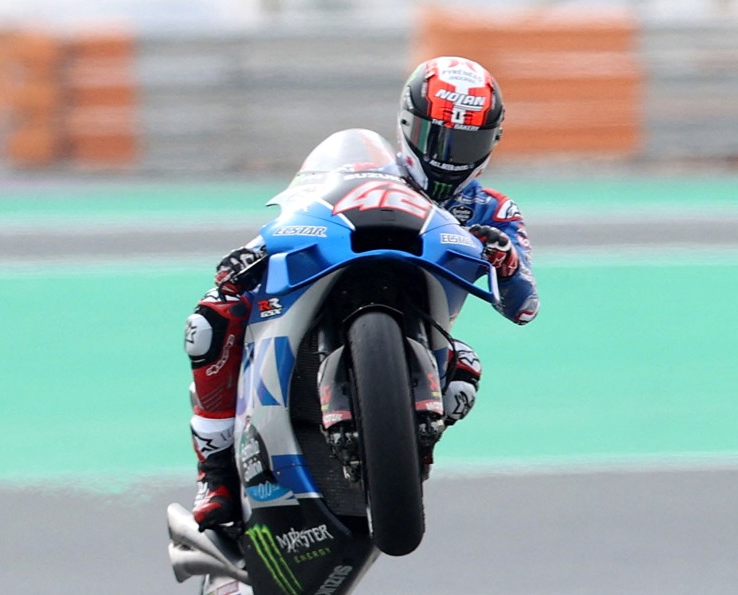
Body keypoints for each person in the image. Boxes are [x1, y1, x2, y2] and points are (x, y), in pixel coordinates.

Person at [183, 55, 539, 530]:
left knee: (464, 375)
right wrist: (250, 253)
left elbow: (524, 306)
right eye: (438, 138)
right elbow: (300, 209)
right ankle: (215, 474)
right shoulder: (365, 170)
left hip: (426, 336)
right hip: (330, 284)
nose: (449, 155)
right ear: (408, 126)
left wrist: (505, 260)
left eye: (466, 142)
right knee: (208, 323)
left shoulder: (493, 208)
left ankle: (405, 447)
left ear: (490, 142)